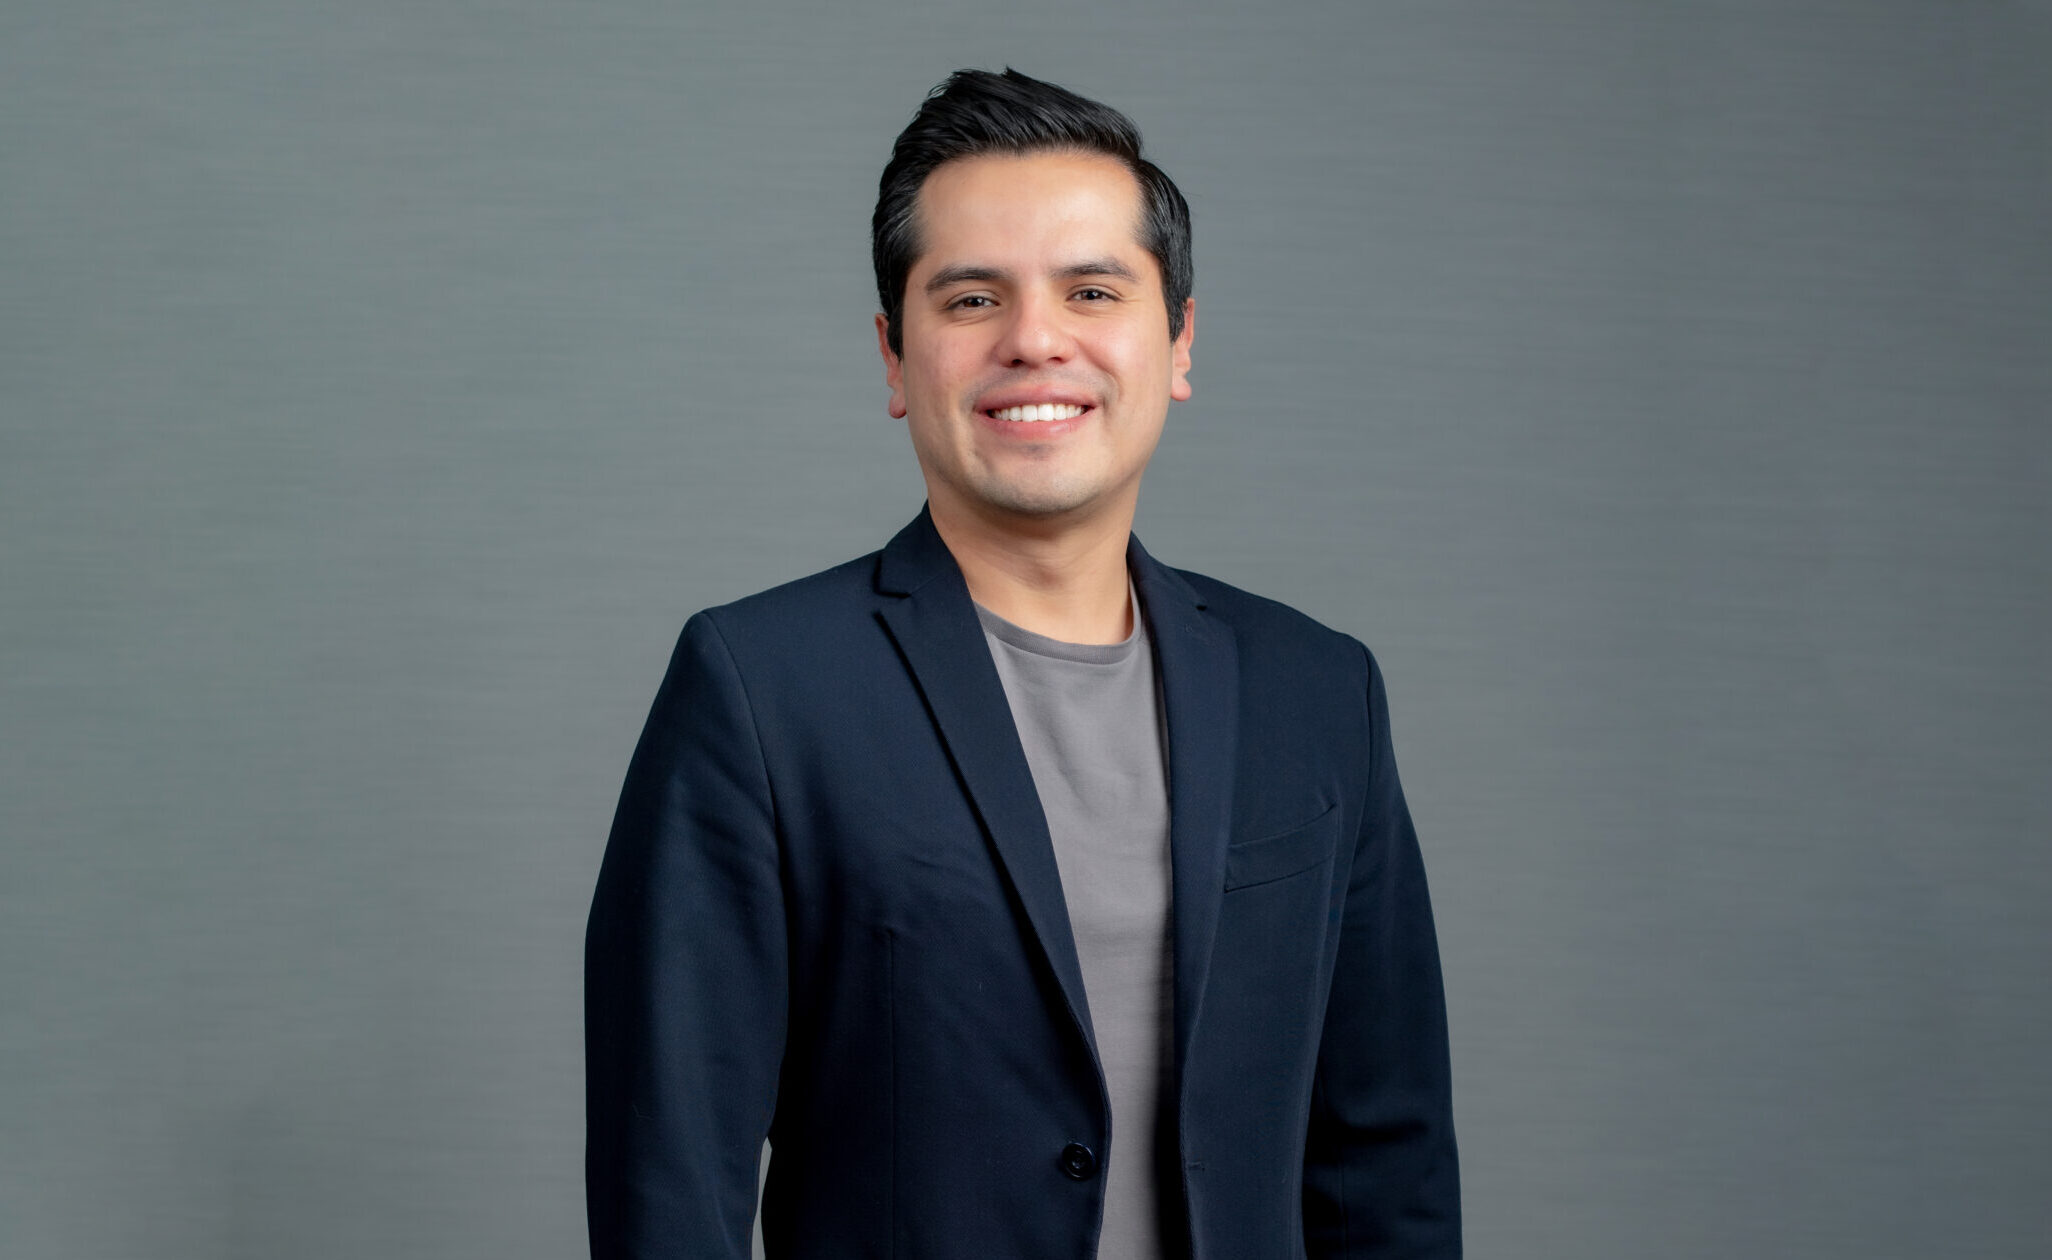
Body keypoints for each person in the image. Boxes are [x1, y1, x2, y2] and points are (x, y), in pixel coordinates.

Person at [585, 67, 1460, 1259]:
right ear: (895, 358)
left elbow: (1388, 1167)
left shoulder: (1317, 692)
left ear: (1179, 340)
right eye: (971, 299)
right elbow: (670, 1182)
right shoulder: (759, 690)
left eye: (1092, 291)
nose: (1035, 340)